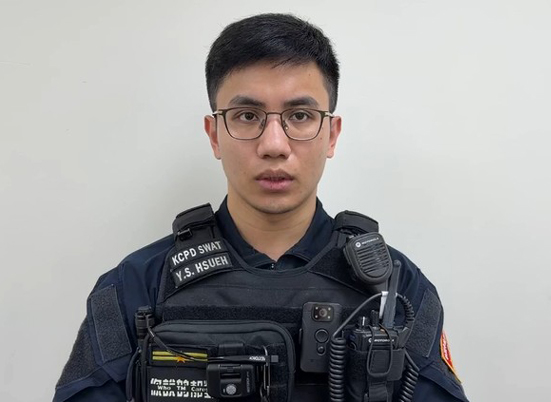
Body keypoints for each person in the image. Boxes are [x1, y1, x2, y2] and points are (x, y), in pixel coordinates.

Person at [54, 13, 469, 402]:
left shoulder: (397, 288)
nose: (274, 145)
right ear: (214, 134)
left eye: (300, 115)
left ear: (331, 134)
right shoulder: (137, 284)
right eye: (247, 116)